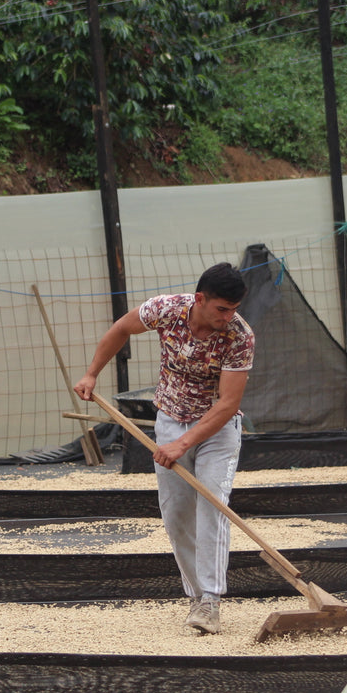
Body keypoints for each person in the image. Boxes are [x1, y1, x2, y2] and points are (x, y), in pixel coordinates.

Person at [74, 263, 254, 635]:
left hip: (216, 431)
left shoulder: (239, 336)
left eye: (234, 308)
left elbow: (226, 404)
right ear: (200, 299)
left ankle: (211, 601)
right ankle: (195, 595)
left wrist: (182, 444)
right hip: (170, 419)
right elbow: (122, 328)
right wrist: (92, 373)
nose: (229, 316)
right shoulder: (167, 310)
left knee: (212, 505)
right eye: (222, 309)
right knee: (176, 514)